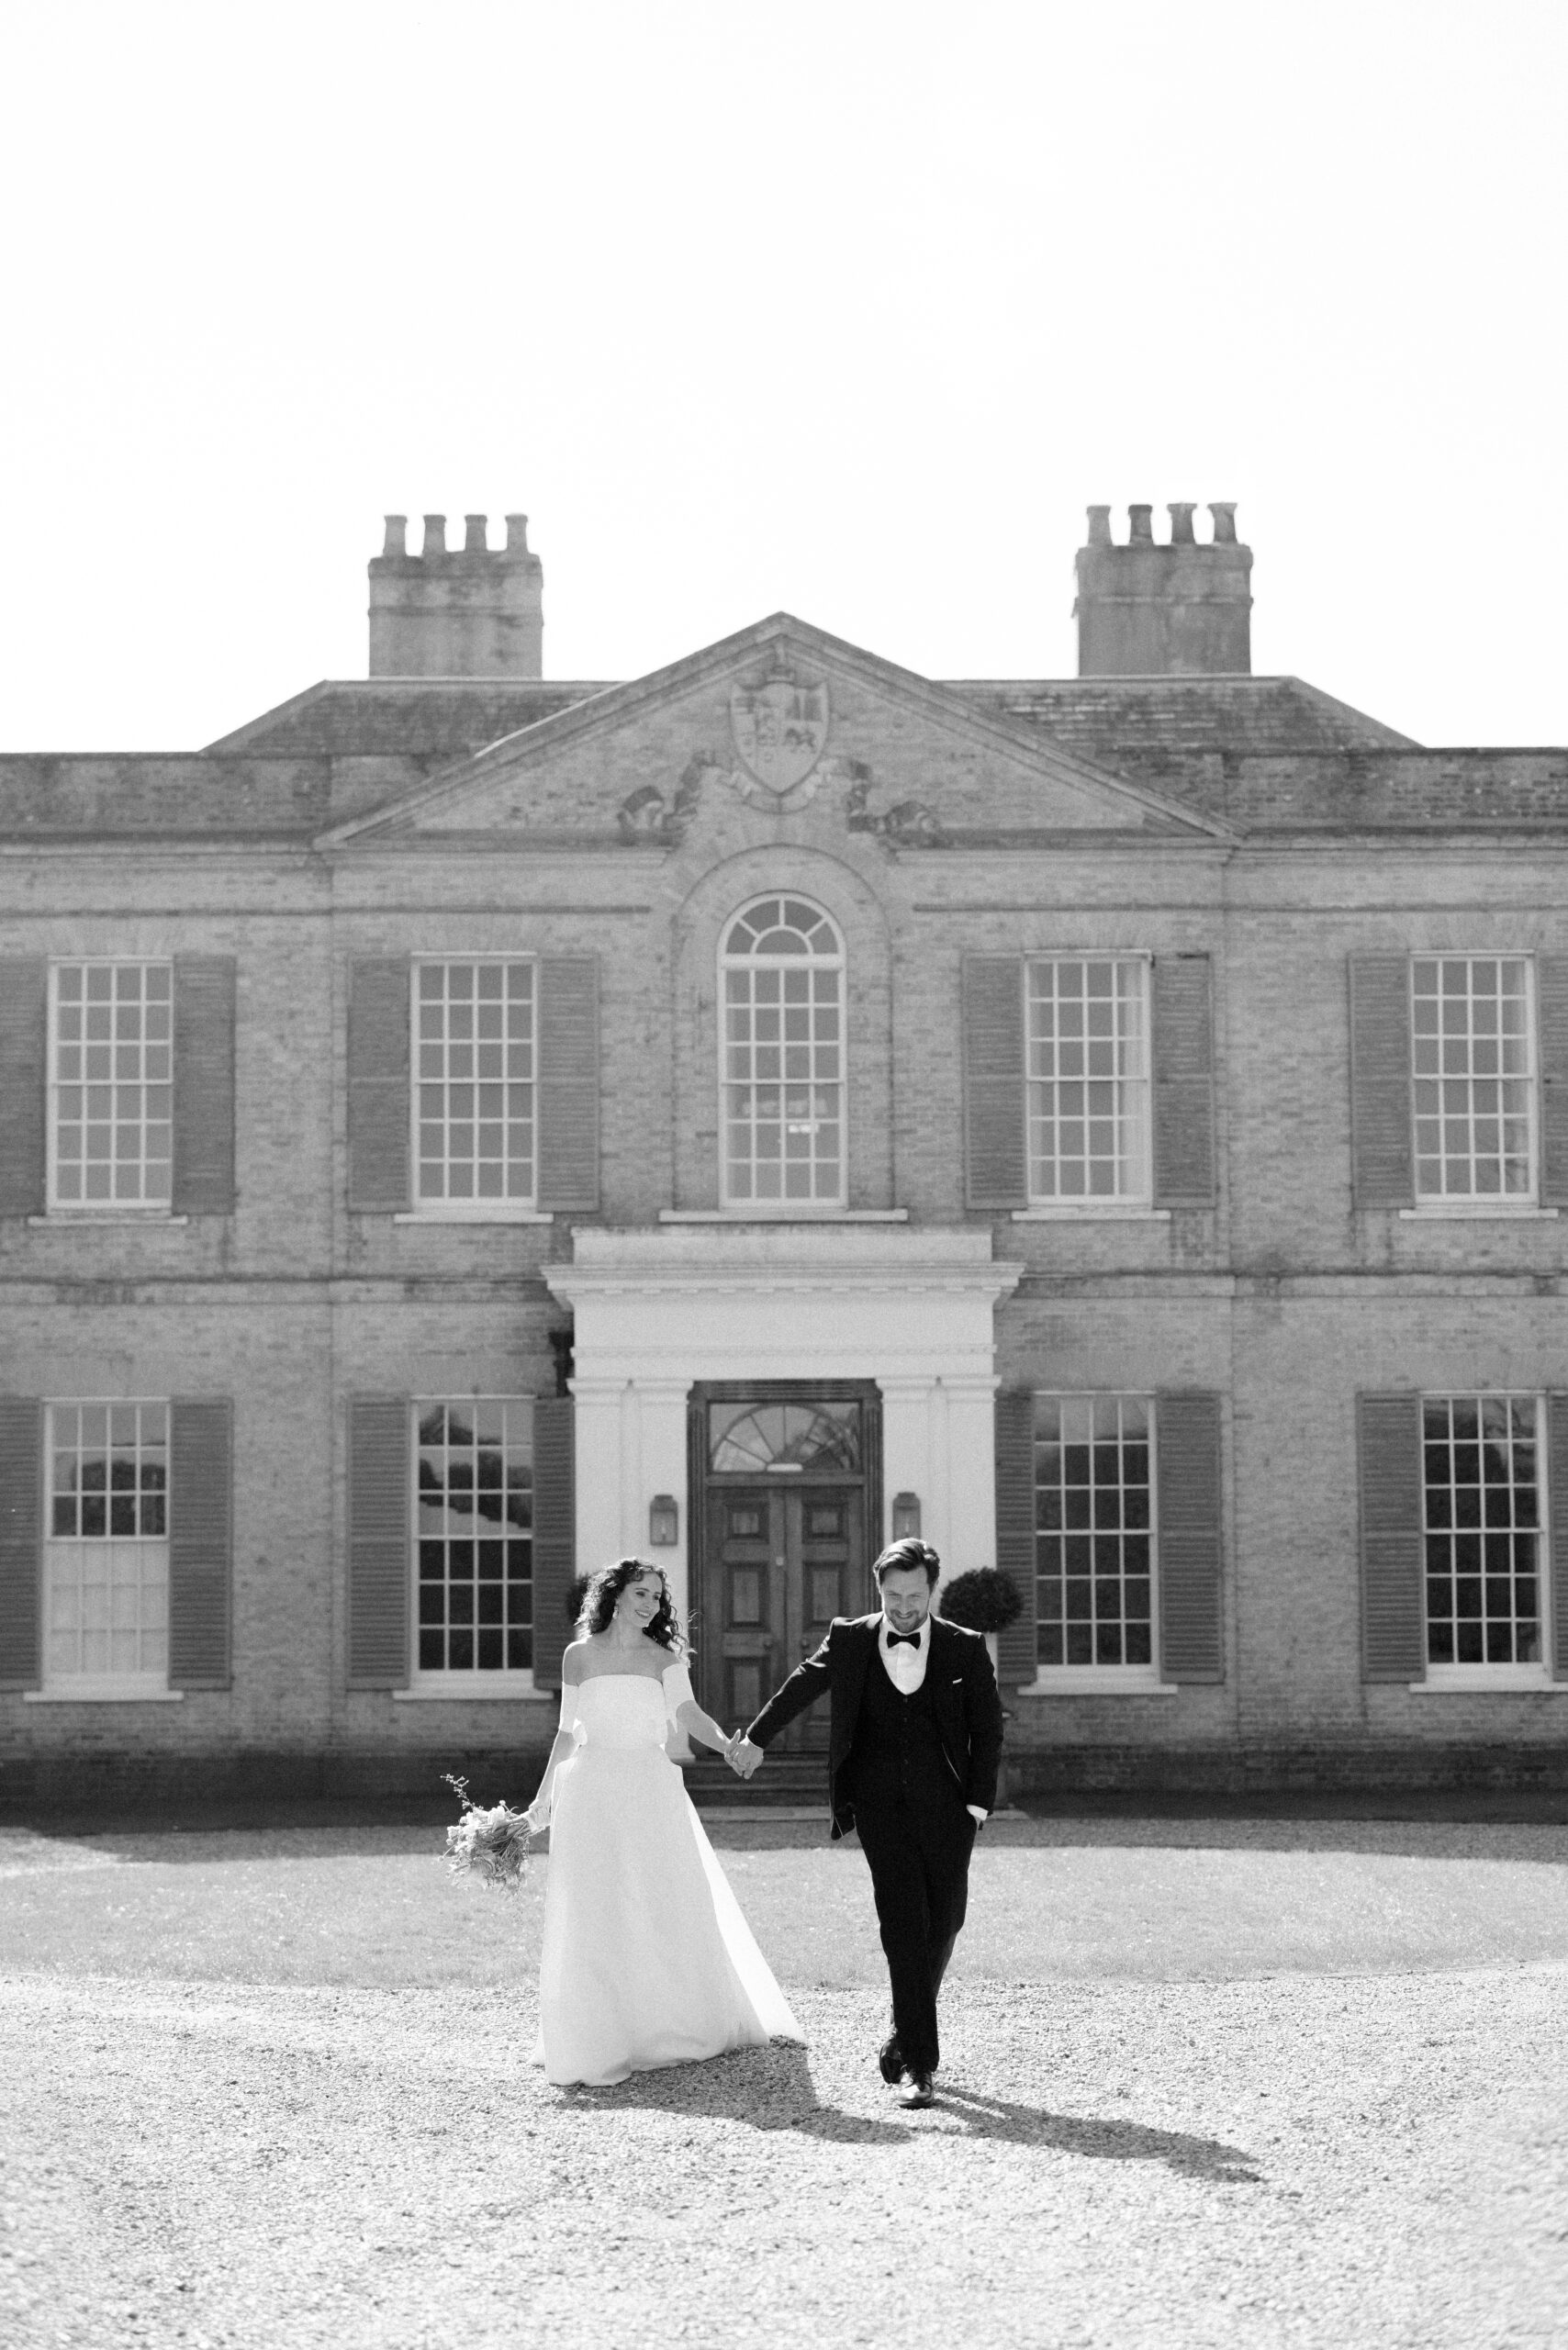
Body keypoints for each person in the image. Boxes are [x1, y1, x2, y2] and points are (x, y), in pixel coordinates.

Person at [732, 1537, 1003, 2109]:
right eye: (891, 1594)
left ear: (932, 1589)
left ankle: (904, 2034)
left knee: (946, 1920)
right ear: (878, 1589)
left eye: (914, 1595)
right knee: (903, 1923)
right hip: (878, 1805)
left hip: (950, 1808)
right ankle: (921, 2067)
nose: (903, 1606)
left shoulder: (965, 1647)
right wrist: (756, 1737)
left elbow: (989, 1728)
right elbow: (800, 1686)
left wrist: (978, 1802)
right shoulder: (851, 1638)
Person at [525, 1557, 801, 2087]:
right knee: (595, 1907)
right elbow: (566, 1734)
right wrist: (543, 1802)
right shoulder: (578, 1656)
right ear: (614, 1595)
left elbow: (690, 1714)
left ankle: (666, 2026)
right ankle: (598, 2032)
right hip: (589, 1791)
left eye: (656, 1596)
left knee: (659, 1900)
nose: (650, 1604)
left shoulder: (663, 1658)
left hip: (650, 1789)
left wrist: (726, 1746)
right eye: (640, 1593)